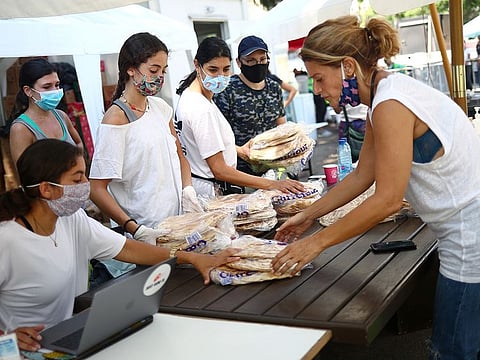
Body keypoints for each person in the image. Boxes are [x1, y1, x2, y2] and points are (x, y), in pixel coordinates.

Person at [271, 16, 480, 360]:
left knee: (452, 351)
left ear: (348, 67)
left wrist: (315, 245)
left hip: (468, 237)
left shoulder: (390, 104)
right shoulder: (384, 96)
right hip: (459, 232)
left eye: (320, 79)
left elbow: (386, 200)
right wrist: (307, 215)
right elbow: (361, 175)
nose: (318, 91)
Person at [0, 139, 238, 352]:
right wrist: (5, 338)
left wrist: (191, 258)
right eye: (77, 178)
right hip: (20, 352)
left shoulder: (72, 220)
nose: (86, 184)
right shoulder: (7, 239)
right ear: (46, 189)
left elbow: (127, 249)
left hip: (65, 341)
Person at [88, 32, 202, 286]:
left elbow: (179, 154)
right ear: (131, 70)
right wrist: (133, 228)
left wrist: (188, 190)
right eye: (153, 69)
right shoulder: (115, 119)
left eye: (163, 69)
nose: (160, 76)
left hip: (177, 227)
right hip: (145, 237)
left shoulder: (160, 108)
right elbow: (97, 188)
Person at [175, 36, 305, 199]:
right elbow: (219, 169)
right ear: (197, 65)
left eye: (225, 70)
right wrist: (273, 185)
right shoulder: (201, 108)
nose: (220, 77)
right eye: (213, 70)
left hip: (219, 183)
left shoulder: (195, 97)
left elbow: (210, 144)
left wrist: (240, 150)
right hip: (215, 188)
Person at [214, 35, 286, 175]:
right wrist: (241, 152)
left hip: (273, 168)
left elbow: (282, 127)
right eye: (251, 61)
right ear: (239, 62)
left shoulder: (274, 88)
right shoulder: (227, 89)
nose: (258, 65)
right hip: (241, 172)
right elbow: (217, 136)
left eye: (262, 60)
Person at [8, 58, 83, 166]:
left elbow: (78, 143)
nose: (54, 91)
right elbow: (24, 172)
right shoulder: (21, 128)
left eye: (57, 85)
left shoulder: (61, 116)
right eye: (47, 87)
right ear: (28, 91)